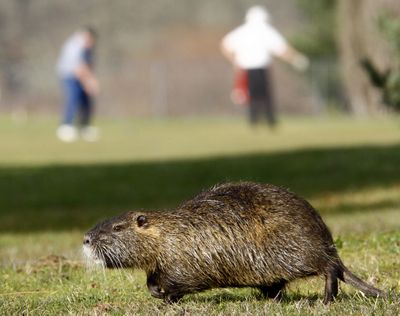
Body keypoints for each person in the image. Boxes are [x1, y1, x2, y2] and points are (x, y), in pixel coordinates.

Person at [221, 5, 309, 127]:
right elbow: (282, 49)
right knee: (263, 95)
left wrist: (234, 61)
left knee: (253, 96)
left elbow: (225, 45)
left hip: (246, 69)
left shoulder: (242, 31)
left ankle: (255, 121)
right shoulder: (266, 31)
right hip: (257, 69)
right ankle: (268, 120)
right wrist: (296, 58)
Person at [56, 27, 99, 142]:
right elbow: (78, 68)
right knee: (73, 98)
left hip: (81, 75)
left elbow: (88, 64)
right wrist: (89, 82)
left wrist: (89, 80)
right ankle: (66, 126)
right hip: (69, 75)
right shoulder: (75, 45)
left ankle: (85, 126)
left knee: (86, 100)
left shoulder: (87, 47)